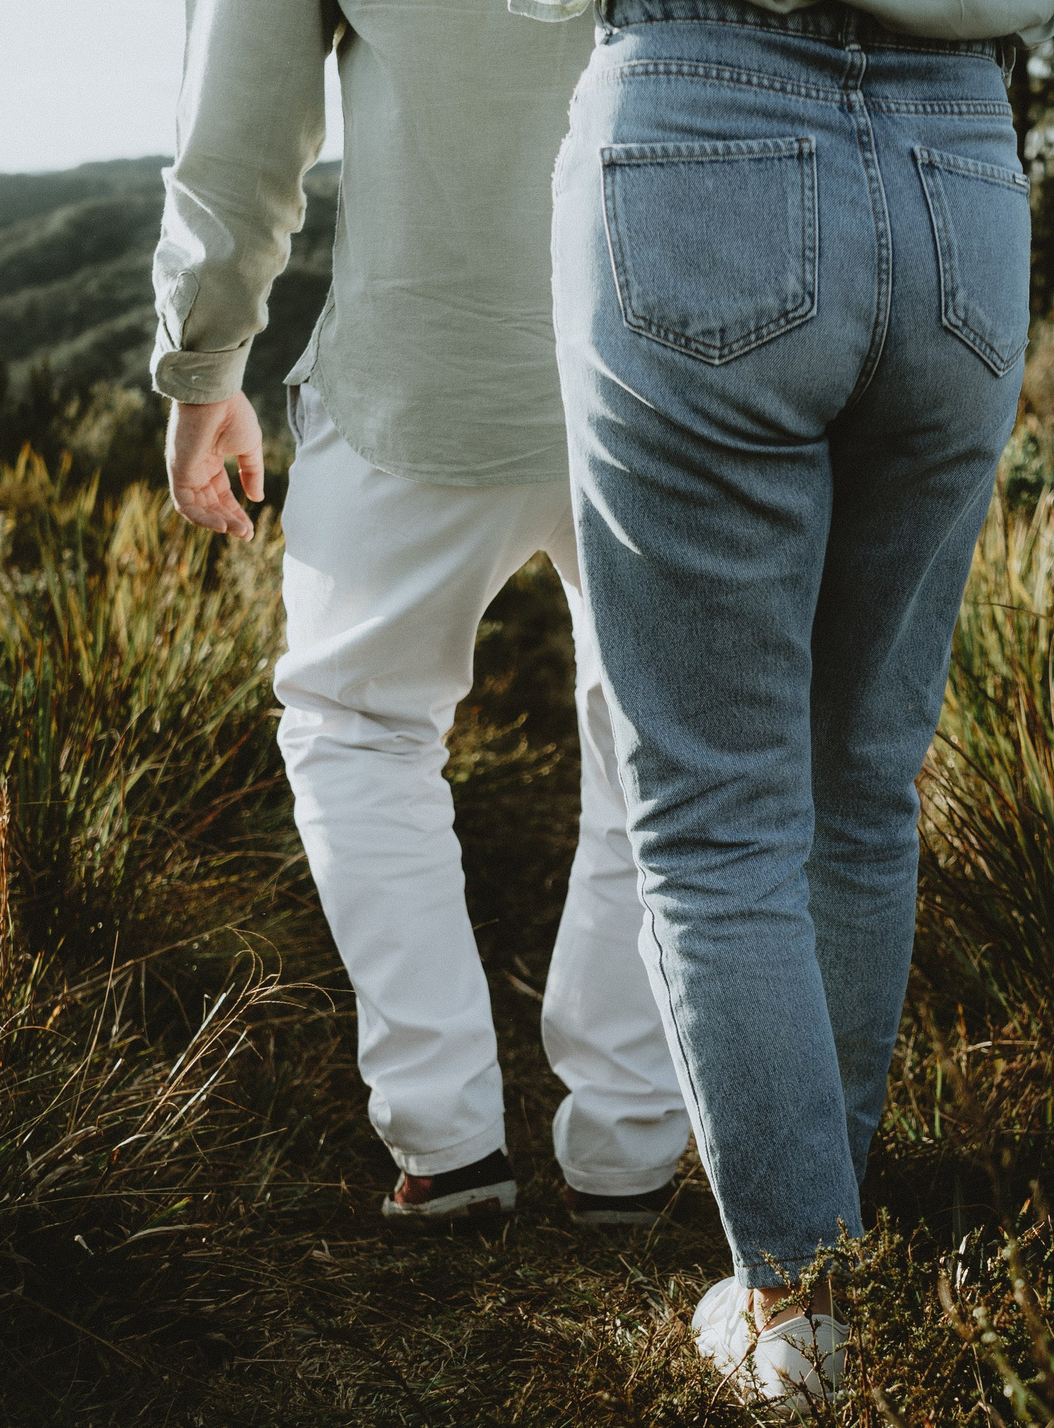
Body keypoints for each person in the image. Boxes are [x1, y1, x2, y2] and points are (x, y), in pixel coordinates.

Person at [534, 0, 1054, 1408]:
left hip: (698, 130)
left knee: (717, 810)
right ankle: (837, 1267)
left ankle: (805, 1312)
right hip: (962, 156)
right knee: (863, 778)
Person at [153, 0, 691, 1227]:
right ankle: (628, 1153)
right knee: (653, 751)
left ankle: (444, 1144)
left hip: (425, 365)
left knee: (356, 725)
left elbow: (238, 133)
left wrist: (202, 369)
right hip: (672, 362)